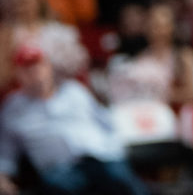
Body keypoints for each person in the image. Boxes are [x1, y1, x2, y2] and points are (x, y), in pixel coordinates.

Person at [0, 43, 149, 195]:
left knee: (121, 180)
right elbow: (5, 153)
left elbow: (108, 122)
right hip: (61, 170)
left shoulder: (74, 91)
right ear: (18, 74)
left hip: (100, 157)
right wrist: (2, 178)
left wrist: (116, 150)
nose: (35, 72)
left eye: (38, 65)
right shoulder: (13, 108)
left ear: (49, 67)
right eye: (27, 68)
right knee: (58, 187)